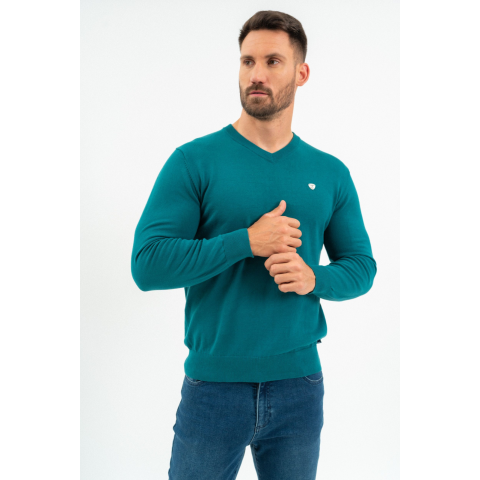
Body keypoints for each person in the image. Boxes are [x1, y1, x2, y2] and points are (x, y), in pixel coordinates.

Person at [131, 10, 377, 480]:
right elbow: (147, 265)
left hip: (300, 387)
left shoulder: (330, 172)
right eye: (247, 62)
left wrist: (313, 277)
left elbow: (361, 267)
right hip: (213, 388)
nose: (256, 74)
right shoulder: (193, 161)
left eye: (272, 61)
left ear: (301, 73)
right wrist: (246, 241)